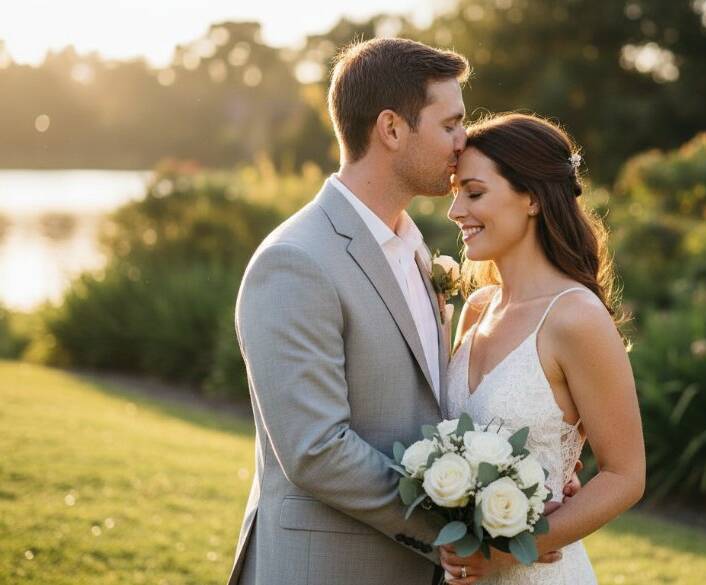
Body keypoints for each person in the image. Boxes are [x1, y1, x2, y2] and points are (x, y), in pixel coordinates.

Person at [227, 40, 571, 585]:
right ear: (391, 129)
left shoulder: (412, 248)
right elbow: (315, 450)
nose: (464, 143)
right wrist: (464, 521)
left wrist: (526, 482)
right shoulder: (295, 261)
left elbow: (432, 410)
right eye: (450, 124)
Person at [441, 113, 646, 585]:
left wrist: (513, 549)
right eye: (455, 194)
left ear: (531, 197)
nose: (455, 212)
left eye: (473, 193)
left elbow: (625, 476)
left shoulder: (576, 318)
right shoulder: (474, 309)